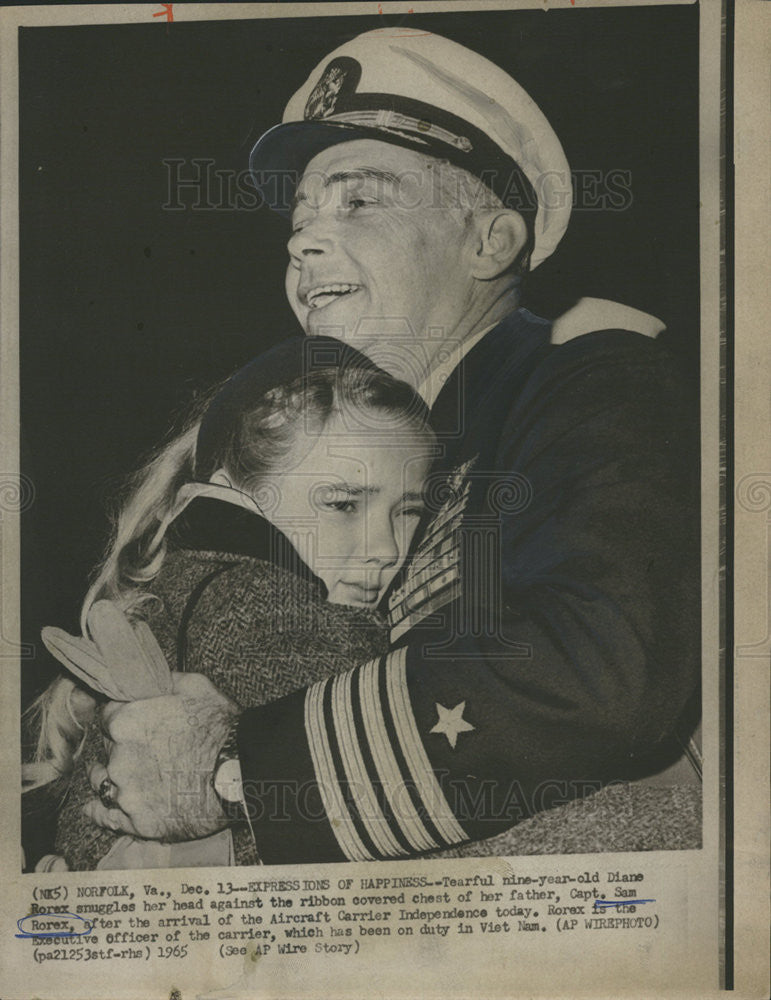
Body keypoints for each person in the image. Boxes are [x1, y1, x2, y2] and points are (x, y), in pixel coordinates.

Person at [85, 28, 701, 863]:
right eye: (300, 219)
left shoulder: (593, 381)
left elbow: (602, 676)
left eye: (358, 201)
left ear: (491, 242)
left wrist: (237, 775)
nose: (302, 241)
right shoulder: (379, 445)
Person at [25, 335, 434, 869]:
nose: (385, 551)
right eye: (342, 504)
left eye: (407, 512)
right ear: (236, 493)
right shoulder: (279, 611)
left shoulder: (188, 586)